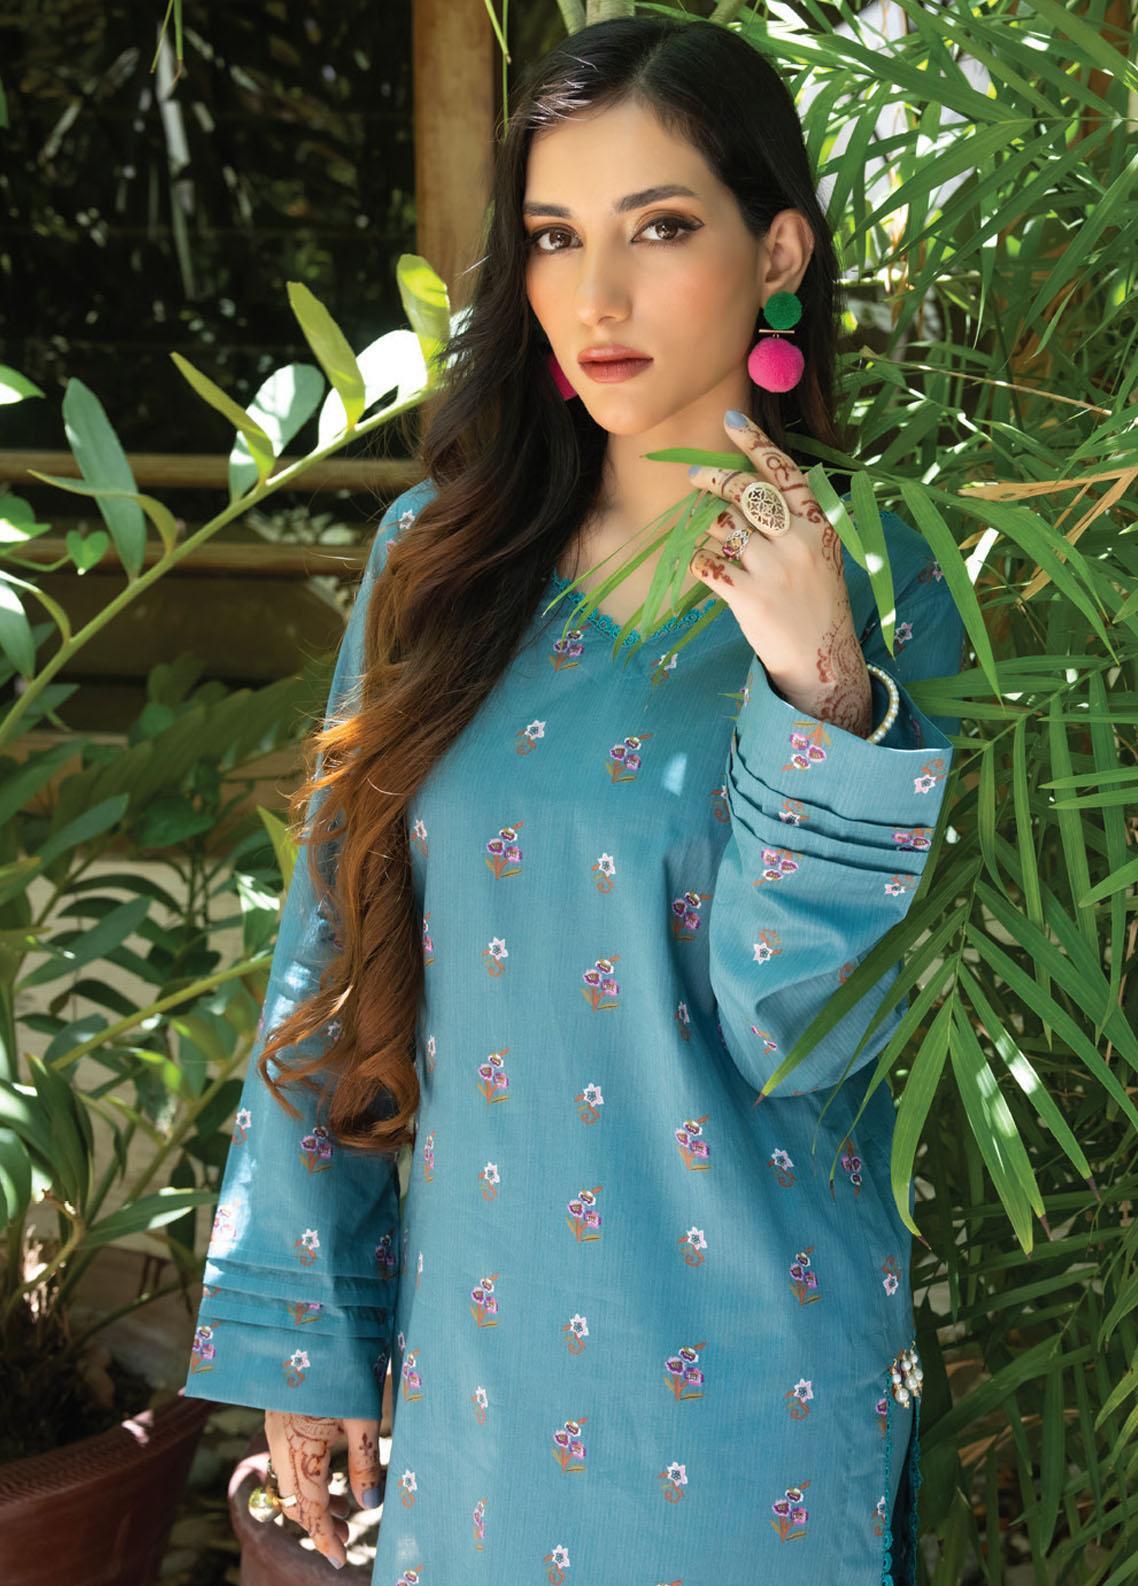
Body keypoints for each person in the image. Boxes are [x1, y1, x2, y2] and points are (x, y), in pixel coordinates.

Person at [184, 16, 962, 1583]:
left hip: (751, 1404)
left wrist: (816, 682)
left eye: (657, 228)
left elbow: (807, 1032)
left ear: (777, 250)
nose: (593, 297)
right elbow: (338, 938)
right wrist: (308, 1324)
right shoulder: (437, 559)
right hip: (480, 1389)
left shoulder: (887, 574)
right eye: (553, 236)